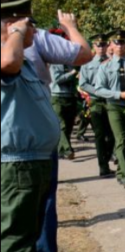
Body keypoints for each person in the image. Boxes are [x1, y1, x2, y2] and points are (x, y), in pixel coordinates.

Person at [1, 0, 63, 252]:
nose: (33, 32)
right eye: (28, 25)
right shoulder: (6, 57)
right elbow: (7, 63)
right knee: (15, 234)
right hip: (15, 163)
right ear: (10, 24)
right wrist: (13, 32)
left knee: (29, 231)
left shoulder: (22, 59)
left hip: (33, 160)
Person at [95, 29, 125, 191]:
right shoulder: (105, 67)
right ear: (111, 45)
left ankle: (121, 170)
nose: (120, 46)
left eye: (123, 42)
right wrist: (119, 94)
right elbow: (99, 89)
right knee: (121, 139)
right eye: (116, 42)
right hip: (114, 106)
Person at [78, 33, 114, 177]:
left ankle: (107, 156)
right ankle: (103, 166)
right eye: (98, 45)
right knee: (99, 135)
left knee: (111, 135)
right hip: (96, 102)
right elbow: (83, 84)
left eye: (104, 44)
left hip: (111, 101)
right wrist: (98, 91)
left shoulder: (112, 62)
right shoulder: (87, 64)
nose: (101, 47)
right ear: (93, 46)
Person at [48, 29, 80, 161]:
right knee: (61, 124)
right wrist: (72, 74)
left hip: (70, 96)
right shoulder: (54, 61)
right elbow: (57, 79)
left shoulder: (68, 60)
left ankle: (61, 149)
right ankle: (68, 150)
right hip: (58, 96)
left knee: (69, 125)